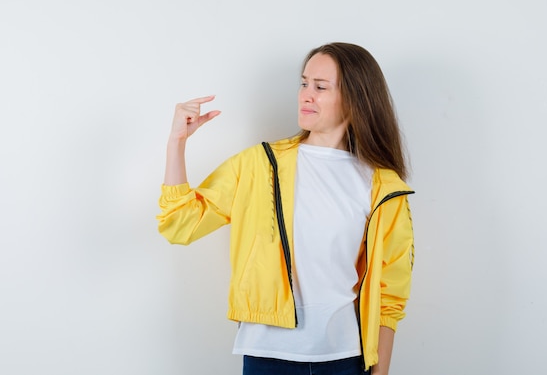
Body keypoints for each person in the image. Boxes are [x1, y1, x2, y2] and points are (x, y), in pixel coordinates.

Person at [157, 42, 415, 375]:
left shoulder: (383, 186)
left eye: (320, 87)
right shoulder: (259, 165)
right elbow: (179, 223)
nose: (306, 94)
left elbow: (389, 295)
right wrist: (176, 143)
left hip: (345, 358)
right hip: (267, 356)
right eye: (304, 83)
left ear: (355, 99)